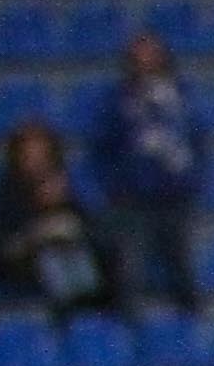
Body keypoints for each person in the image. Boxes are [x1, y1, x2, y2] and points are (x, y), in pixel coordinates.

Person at [85, 33, 204, 322]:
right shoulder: (118, 102)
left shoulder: (181, 98)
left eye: (151, 55)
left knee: (182, 268)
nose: (145, 62)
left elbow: (198, 142)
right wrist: (115, 185)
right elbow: (101, 148)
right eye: (139, 57)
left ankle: (193, 326)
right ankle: (129, 331)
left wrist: (192, 180)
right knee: (130, 269)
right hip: (132, 201)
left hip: (175, 198)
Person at [0, 123, 110, 318]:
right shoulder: (9, 185)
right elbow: (9, 229)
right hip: (21, 249)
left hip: (64, 243)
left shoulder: (62, 179)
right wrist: (40, 214)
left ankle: (89, 302)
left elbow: (83, 220)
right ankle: (67, 306)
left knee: (71, 243)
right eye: (29, 151)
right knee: (50, 252)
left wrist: (61, 203)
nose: (35, 156)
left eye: (40, 150)